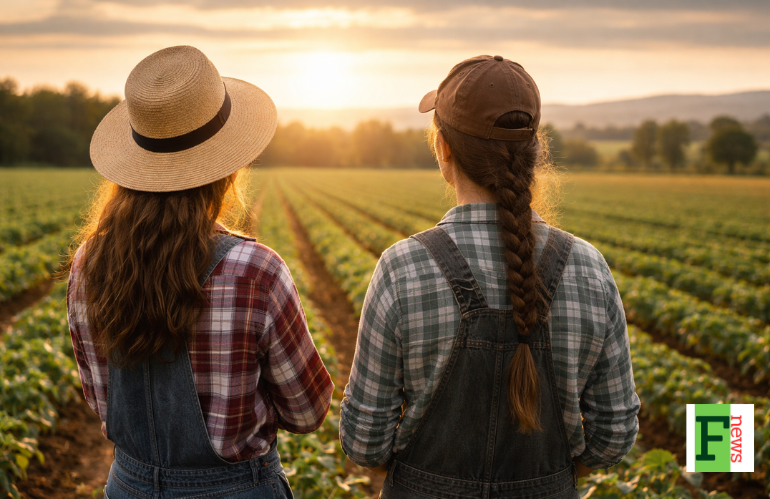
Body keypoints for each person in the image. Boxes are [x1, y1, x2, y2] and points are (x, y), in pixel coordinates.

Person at [339, 55, 640, 498]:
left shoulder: (403, 267)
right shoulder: (588, 267)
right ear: (534, 153)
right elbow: (613, 436)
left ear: (442, 148)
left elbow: (365, 442)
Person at [66, 46, 334, 499]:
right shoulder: (257, 271)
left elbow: (100, 400)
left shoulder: (89, 263)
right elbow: (307, 412)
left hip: (128, 486)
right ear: (227, 171)